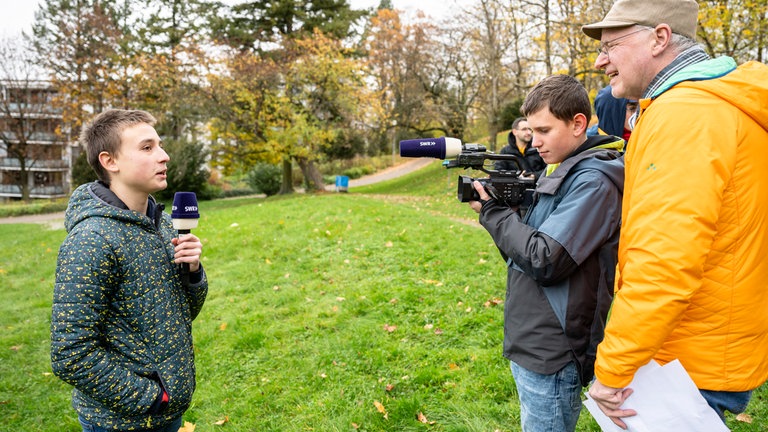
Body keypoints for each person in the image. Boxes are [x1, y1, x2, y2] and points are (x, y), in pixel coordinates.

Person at [582, 0, 768, 427]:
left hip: (685, 363)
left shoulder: (686, 114)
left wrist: (613, 369)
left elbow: (664, 261)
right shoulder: (707, 105)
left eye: (612, 45)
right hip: (711, 343)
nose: (599, 60)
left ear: (659, 38)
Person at [469, 74, 625, 431]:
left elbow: (544, 259)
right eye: (531, 131)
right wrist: (498, 217)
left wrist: (493, 214)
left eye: (544, 130)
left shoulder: (593, 181)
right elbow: (521, 255)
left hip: (554, 349)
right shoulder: (560, 168)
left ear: (578, 124)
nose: (535, 142)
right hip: (532, 338)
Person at [51, 109, 209, 432]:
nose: (164, 156)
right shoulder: (91, 239)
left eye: (160, 146)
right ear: (110, 161)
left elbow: (181, 314)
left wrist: (192, 272)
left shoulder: (162, 224)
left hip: (165, 413)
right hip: (121, 421)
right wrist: (151, 398)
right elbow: (70, 352)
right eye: (147, 148)